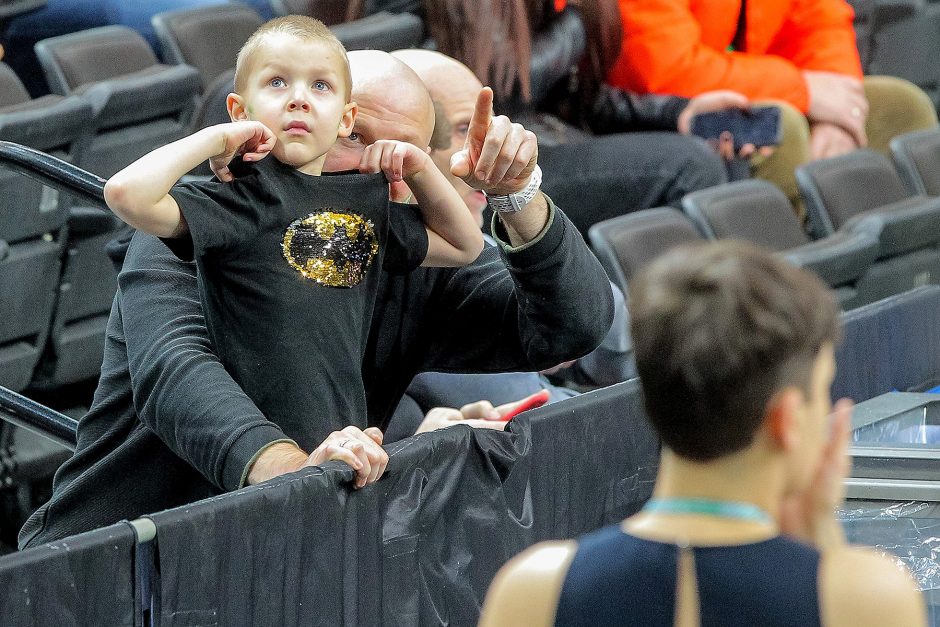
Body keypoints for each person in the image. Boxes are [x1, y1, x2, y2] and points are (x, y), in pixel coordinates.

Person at [20, 49, 614, 548]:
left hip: (284, 555)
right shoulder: (214, 215)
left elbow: (571, 327)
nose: (377, 171)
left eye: (401, 154)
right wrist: (289, 468)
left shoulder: (398, 237)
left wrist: (520, 197)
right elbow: (176, 373)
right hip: (112, 562)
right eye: (356, 138)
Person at [479, 241, 926, 626]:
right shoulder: (868, 596)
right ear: (788, 419)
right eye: (822, 393)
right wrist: (822, 537)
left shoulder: (535, 587)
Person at [103, 16, 483, 467]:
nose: (299, 99)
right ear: (240, 109)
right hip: (254, 461)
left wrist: (417, 167)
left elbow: (465, 245)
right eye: (278, 82)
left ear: (345, 117)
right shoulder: (238, 196)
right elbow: (126, 194)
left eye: (320, 86)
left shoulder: (365, 205)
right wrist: (214, 140)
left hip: (339, 443)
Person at [606, 0, 938, 209]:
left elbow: (819, 20)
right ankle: (782, 295)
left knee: (901, 108)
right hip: (650, 114)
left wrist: (837, 117)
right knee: (781, 127)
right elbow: (664, 70)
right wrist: (803, 90)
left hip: (754, 86)